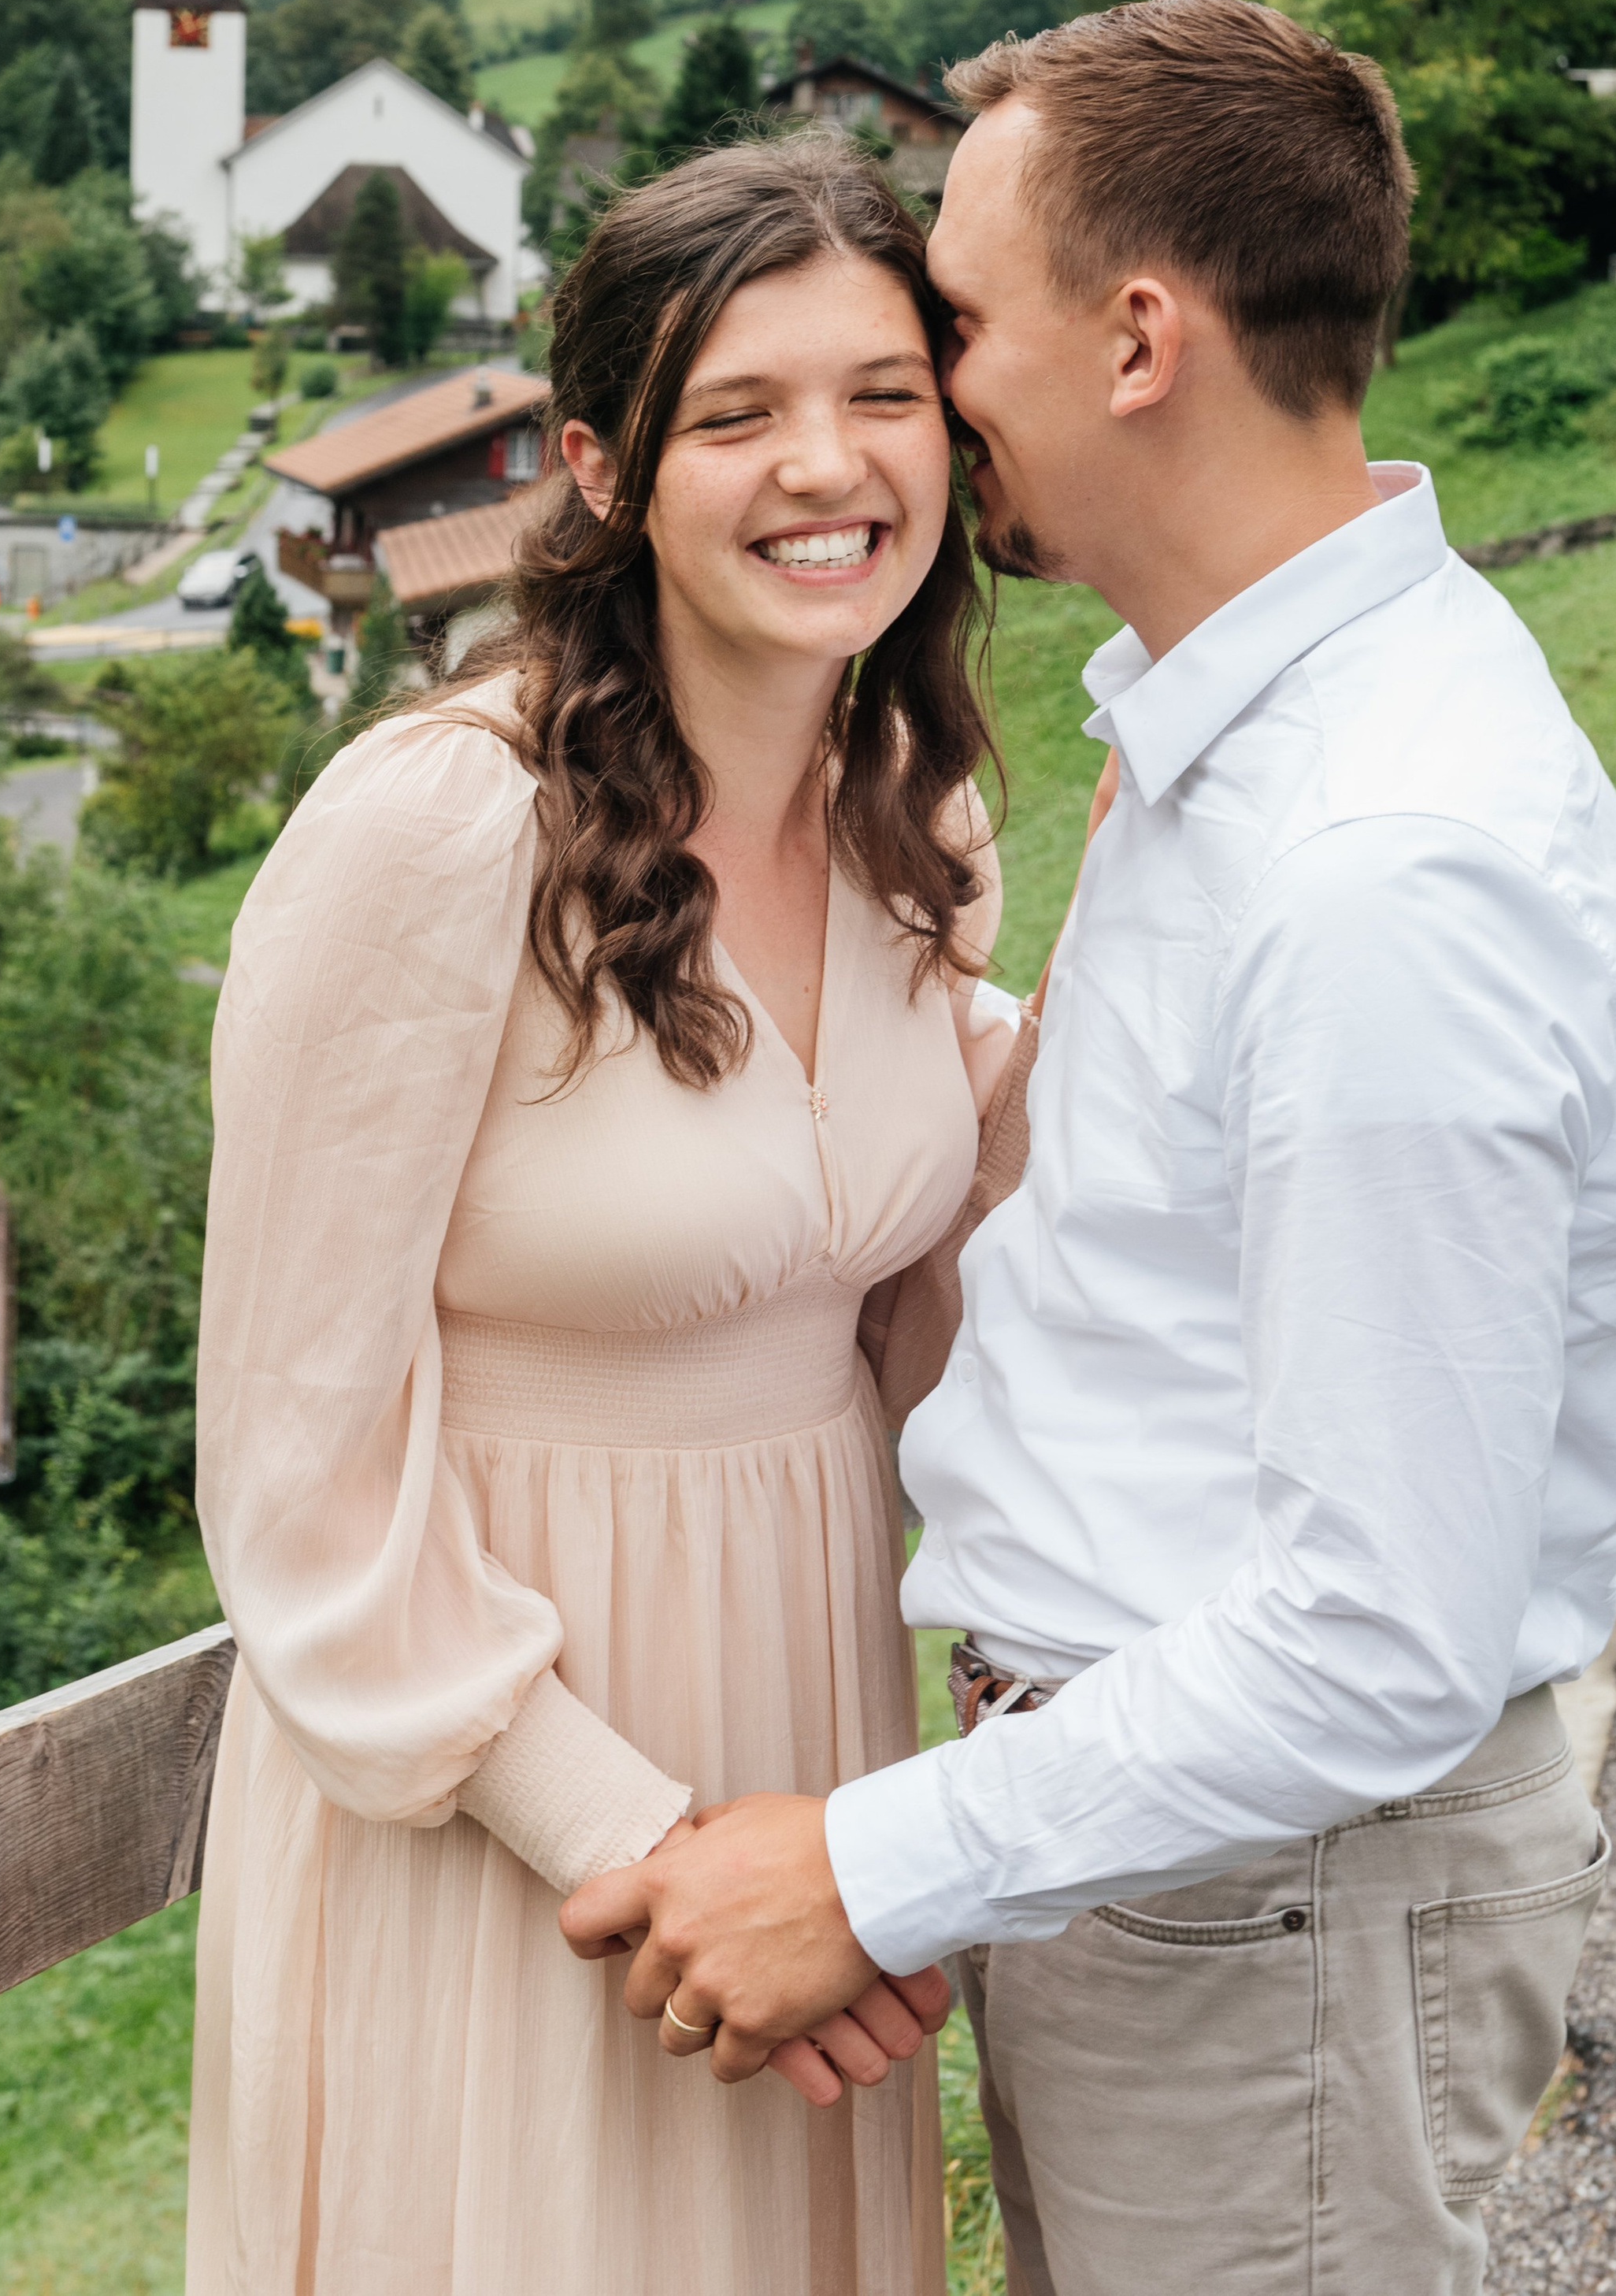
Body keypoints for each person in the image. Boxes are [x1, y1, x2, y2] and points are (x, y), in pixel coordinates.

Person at [564, 0, 1616, 2296]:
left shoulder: (1382, 860)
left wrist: (878, 1864)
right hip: (1194, 1871)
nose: (926, 391)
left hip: (1275, 1892)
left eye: (955, 325)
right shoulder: (1241, 744)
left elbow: (1383, 1624)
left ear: (1143, 337)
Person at [187, 134, 1027, 2296]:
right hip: (504, 1807)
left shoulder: (920, 823)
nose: (822, 464)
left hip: (806, 1732)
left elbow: (931, 1321)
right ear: (602, 463)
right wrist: (629, 1839)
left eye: (879, 394)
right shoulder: (444, 827)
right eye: (736, 412)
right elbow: (297, 1463)